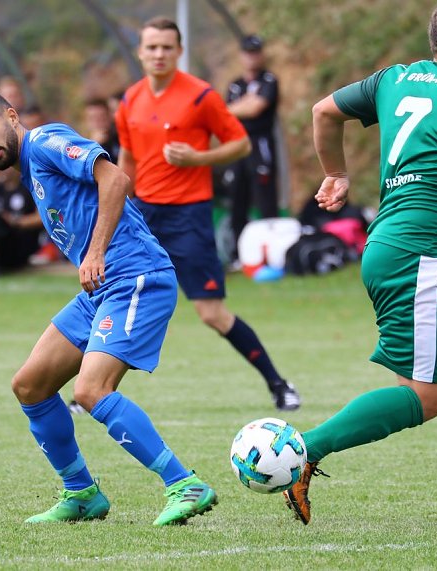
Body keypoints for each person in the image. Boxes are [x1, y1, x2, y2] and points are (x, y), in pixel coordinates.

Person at [282, 0, 437, 526]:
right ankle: (302, 451)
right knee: (424, 397)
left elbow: (324, 111)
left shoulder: (397, 78)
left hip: (418, 251)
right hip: (423, 257)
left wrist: (337, 173)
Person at [0, 90, 217, 526]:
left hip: (135, 277)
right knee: (30, 386)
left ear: (11, 117)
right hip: (100, 289)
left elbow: (115, 179)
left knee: (90, 390)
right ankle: (81, 494)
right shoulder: (29, 168)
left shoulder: (45, 141)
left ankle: (183, 483)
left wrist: (94, 253)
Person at [115, 17, 300, 411]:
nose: (159, 54)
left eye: (167, 47)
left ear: (179, 51)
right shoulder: (130, 100)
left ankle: (278, 383)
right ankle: (92, 390)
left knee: (212, 314)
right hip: (144, 216)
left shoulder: (200, 96)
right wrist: (118, 206)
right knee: (117, 300)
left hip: (189, 218)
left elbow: (241, 145)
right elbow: (126, 160)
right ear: (140, 52)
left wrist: (199, 157)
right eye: (152, 47)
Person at [225, 34, 281, 259]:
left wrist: (241, 106)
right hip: (237, 145)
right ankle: (240, 255)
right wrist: (242, 105)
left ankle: (274, 251)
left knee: (265, 198)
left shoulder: (269, 80)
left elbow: (256, 108)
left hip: (260, 146)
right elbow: (224, 112)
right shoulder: (235, 85)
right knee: (237, 198)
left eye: (255, 52)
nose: (252, 57)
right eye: (248, 52)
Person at [83, 97, 120, 163]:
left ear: (109, 117)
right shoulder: (82, 147)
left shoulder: (120, 139)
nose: (98, 123)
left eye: (102, 118)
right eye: (93, 119)